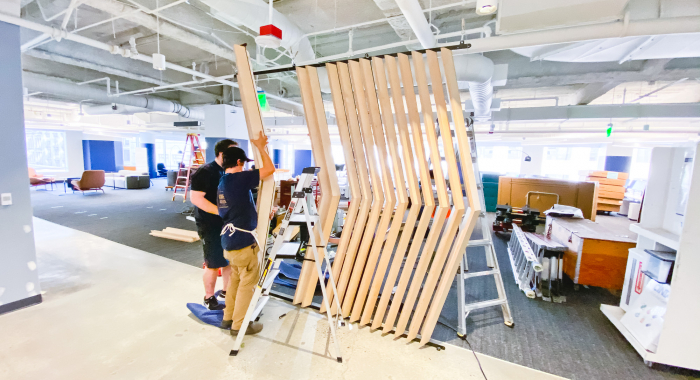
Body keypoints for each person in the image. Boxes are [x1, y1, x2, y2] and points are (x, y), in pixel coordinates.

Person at [217, 132, 275, 335]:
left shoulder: (223, 181)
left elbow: (240, 207)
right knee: (246, 285)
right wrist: (260, 147)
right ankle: (239, 326)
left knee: (234, 280)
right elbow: (270, 169)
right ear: (239, 161)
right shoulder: (239, 179)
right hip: (242, 243)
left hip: (229, 243)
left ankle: (228, 318)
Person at [190, 139, 238, 310]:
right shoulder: (205, 172)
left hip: (227, 224)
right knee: (213, 262)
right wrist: (221, 211)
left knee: (228, 260)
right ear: (221, 154)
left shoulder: (228, 171)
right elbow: (196, 199)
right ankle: (209, 298)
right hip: (210, 224)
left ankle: (226, 291)